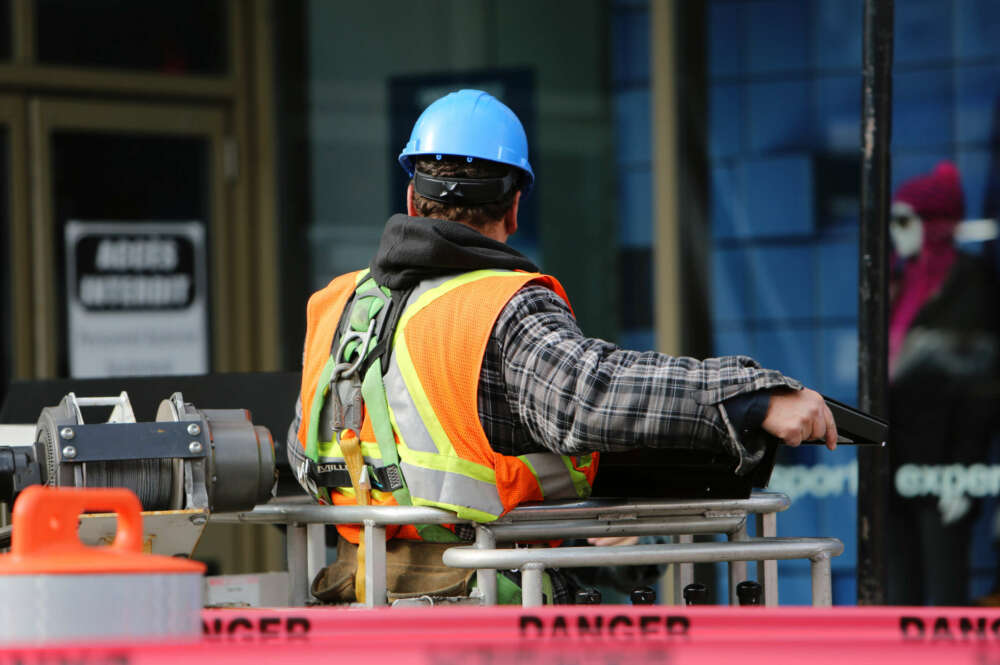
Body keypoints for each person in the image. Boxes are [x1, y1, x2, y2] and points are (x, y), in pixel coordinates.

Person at [286, 89, 837, 604]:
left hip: (357, 605)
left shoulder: (337, 306)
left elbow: (303, 448)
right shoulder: (501, 306)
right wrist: (752, 397)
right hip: (484, 612)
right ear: (514, 207)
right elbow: (589, 395)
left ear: (410, 195)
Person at [886, 161, 1000, 606]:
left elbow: (981, 387)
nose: (896, 232)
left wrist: (964, 471)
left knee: (944, 594)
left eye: (904, 220)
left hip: (945, 461)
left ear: (933, 223)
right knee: (898, 594)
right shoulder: (896, 283)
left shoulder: (971, 285)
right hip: (894, 459)